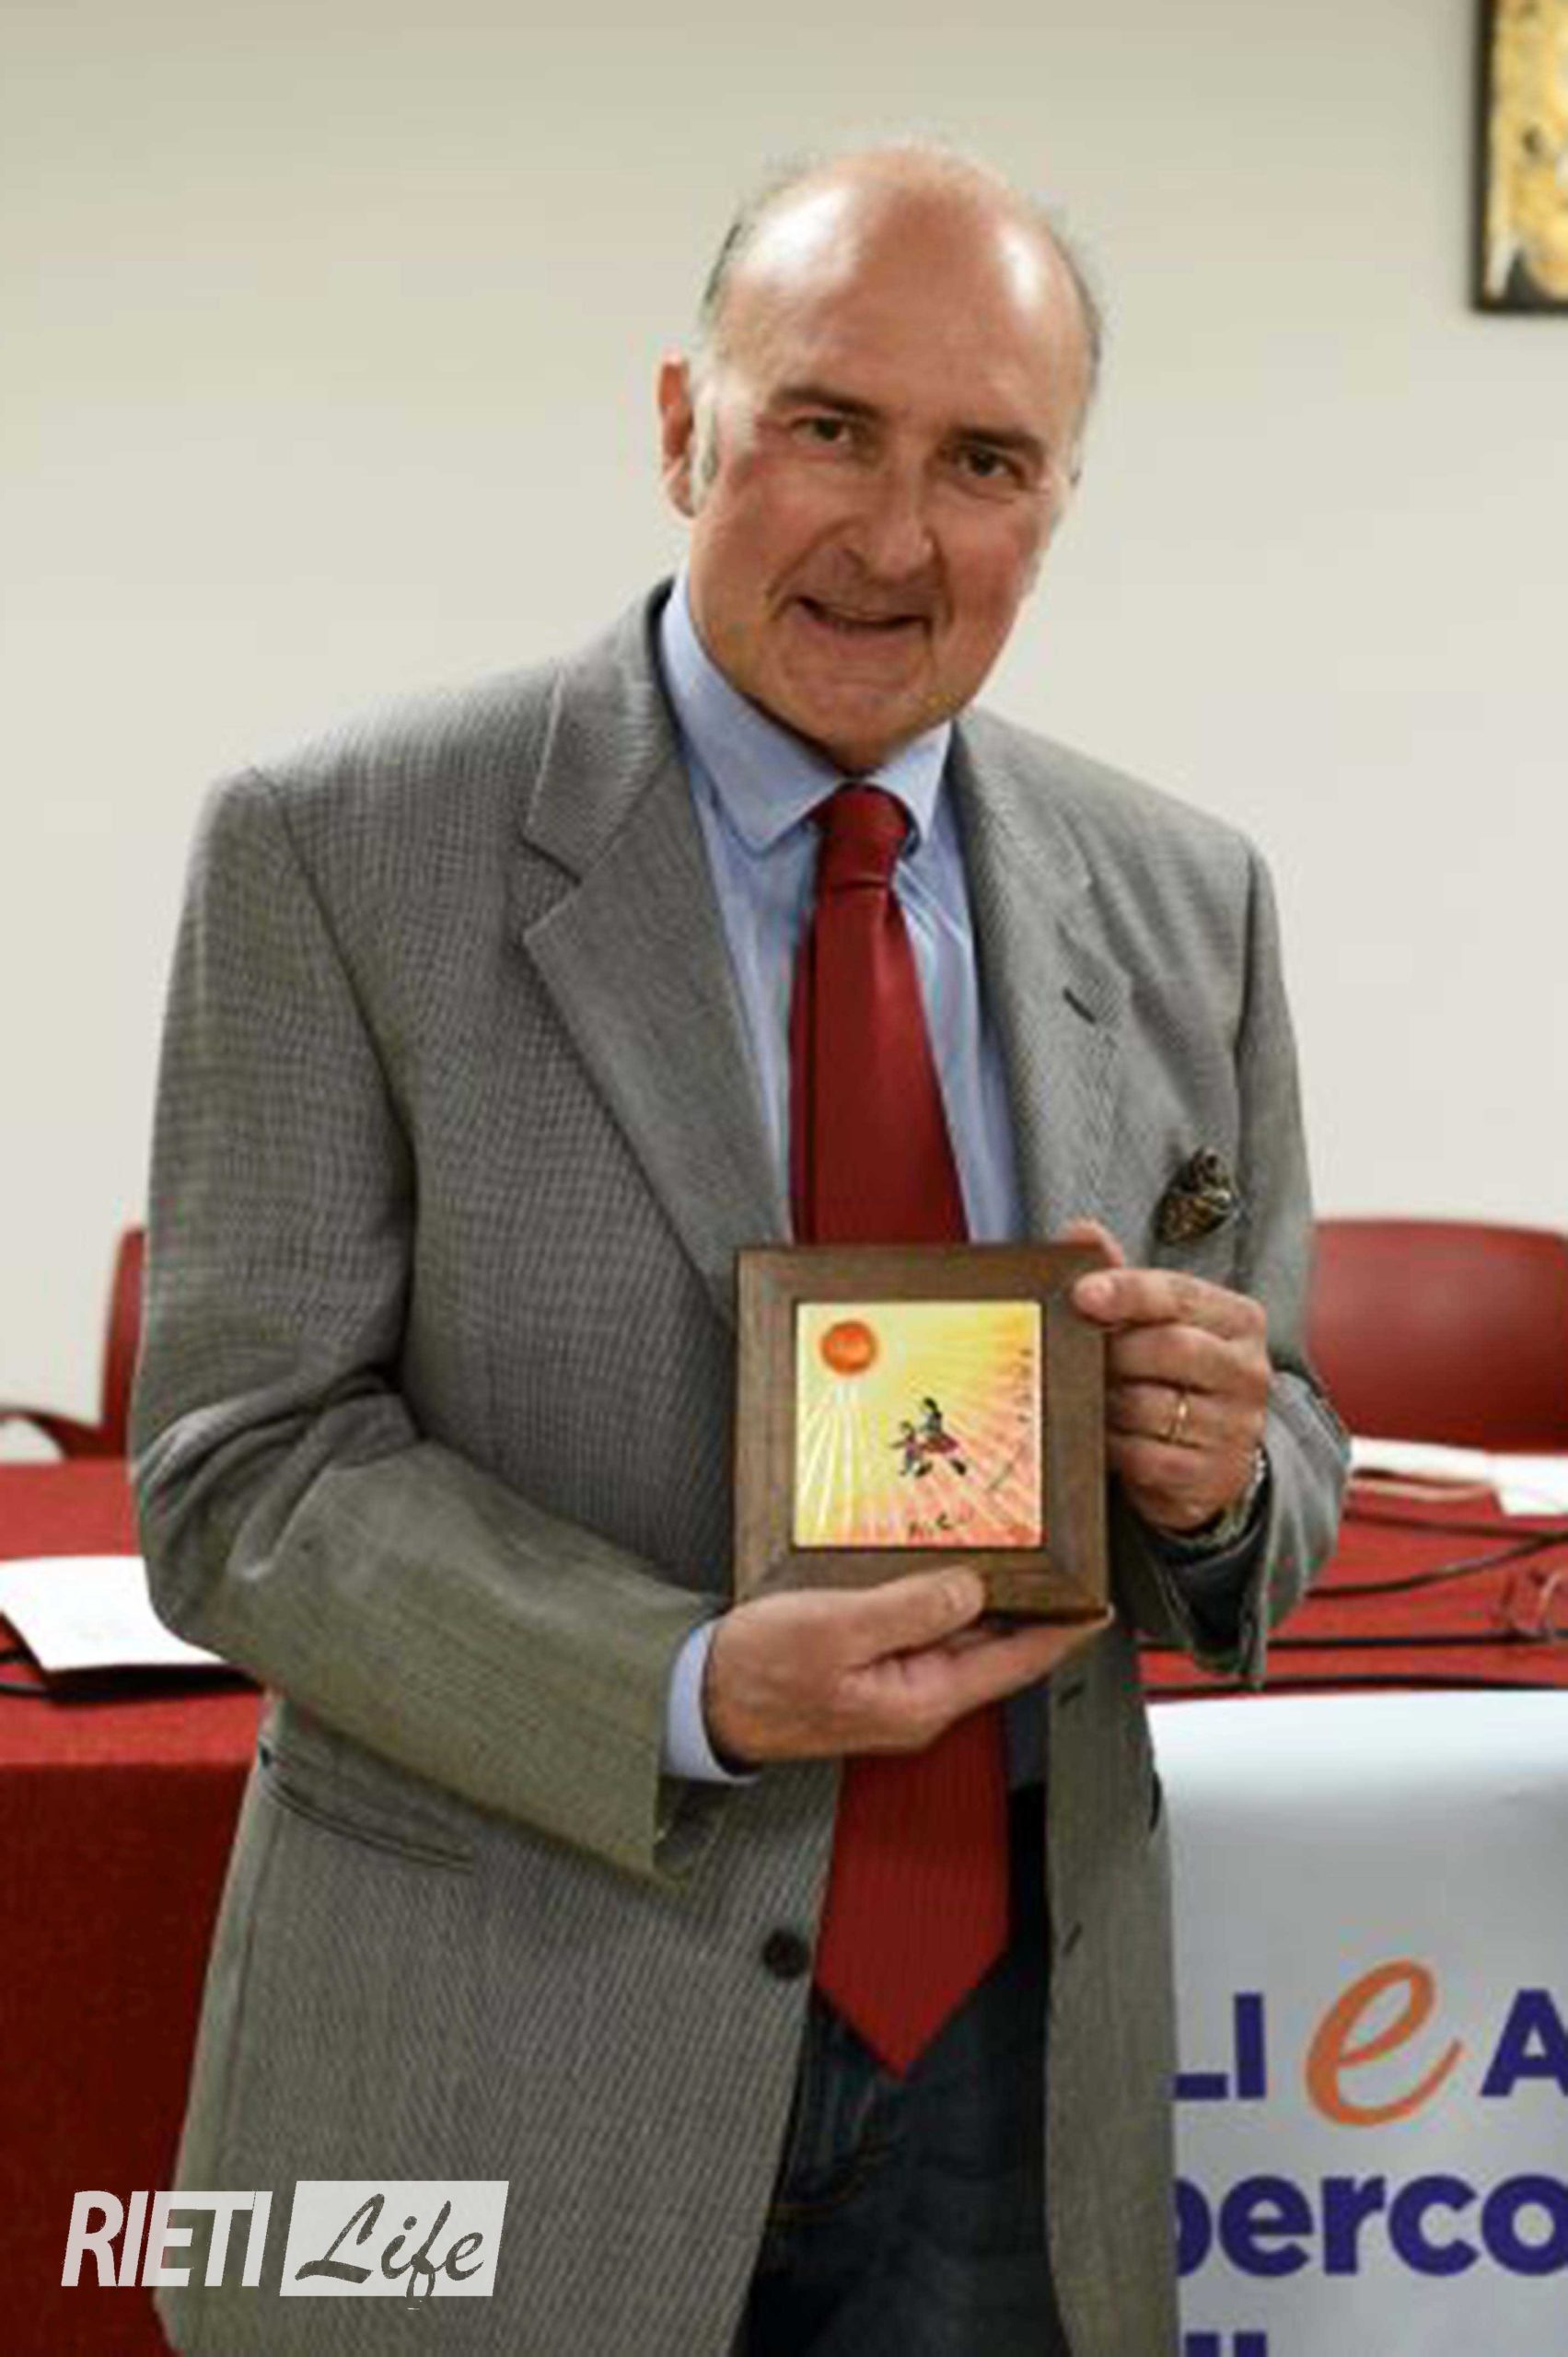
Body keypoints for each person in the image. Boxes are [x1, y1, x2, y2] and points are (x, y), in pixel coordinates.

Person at [132, 141, 1346, 2357]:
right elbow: (242, 1471)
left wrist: (1216, 1472)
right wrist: (686, 1687)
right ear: (682, 426)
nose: (895, 536)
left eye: (985, 461)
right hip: (494, 2038)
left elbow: (1284, 1429)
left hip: (1010, 2078)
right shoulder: (338, 845)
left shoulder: (1194, 900)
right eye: (828, 426)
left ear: (1061, 500)